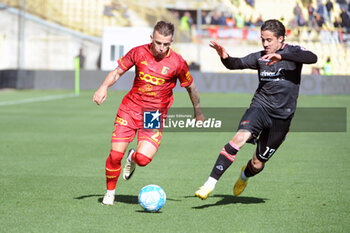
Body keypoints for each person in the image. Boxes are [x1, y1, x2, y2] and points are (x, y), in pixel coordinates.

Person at [195, 19, 317, 200]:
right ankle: (209, 183)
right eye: (263, 40)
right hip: (260, 108)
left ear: (281, 39)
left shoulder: (293, 52)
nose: (265, 44)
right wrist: (225, 57)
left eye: (269, 40)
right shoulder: (260, 57)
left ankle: (244, 176)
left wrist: (282, 57)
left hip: (282, 119)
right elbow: (235, 64)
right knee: (239, 138)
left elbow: (312, 58)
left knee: (257, 163)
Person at [93, 21, 204, 205]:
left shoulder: (177, 62)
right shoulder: (138, 52)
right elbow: (117, 72)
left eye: (166, 44)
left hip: (153, 116)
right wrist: (103, 87)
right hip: (130, 110)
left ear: (171, 42)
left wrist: (198, 113)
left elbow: (191, 87)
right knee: (114, 156)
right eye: (158, 42)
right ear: (151, 38)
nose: (161, 48)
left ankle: (133, 157)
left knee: (143, 159)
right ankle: (110, 193)